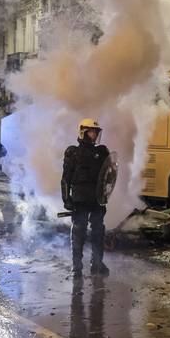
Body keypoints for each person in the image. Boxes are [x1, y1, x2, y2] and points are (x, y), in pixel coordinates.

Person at [61, 119, 111, 278]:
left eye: (96, 131)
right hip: (80, 198)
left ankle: (97, 263)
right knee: (78, 231)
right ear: (83, 132)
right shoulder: (73, 152)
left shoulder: (102, 152)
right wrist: (66, 199)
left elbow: (108, 176)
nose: (94, 134)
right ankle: (77, 266)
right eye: (91, 131)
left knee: (98, 231)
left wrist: (105, 194)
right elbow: (65, 179)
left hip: (97, 198)